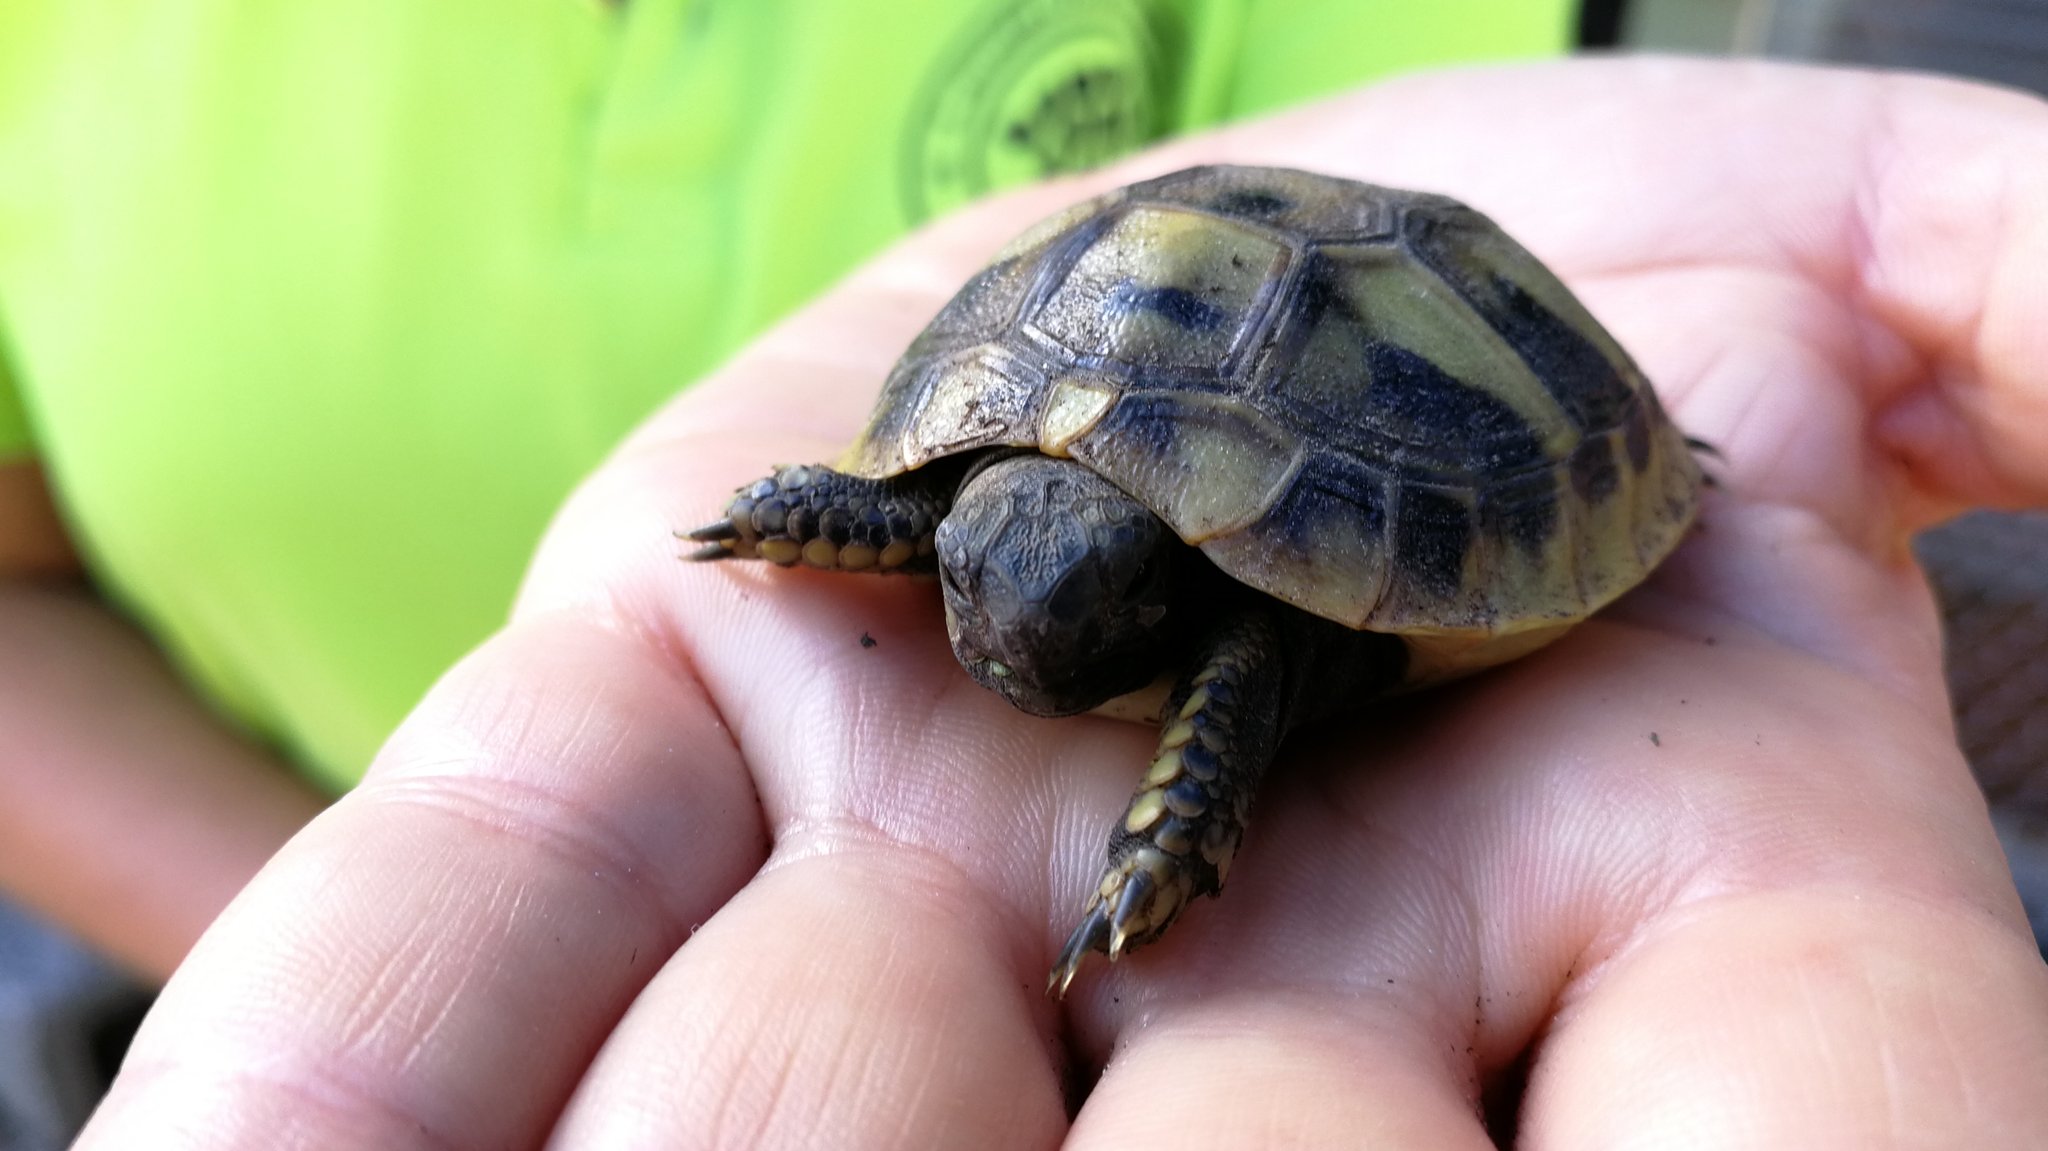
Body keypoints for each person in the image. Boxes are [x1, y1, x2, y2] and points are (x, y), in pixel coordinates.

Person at [55, 57, 2048, 1145]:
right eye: (963, 568)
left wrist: (1181, 819)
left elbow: (1238, 648)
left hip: (1461, 276)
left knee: (1266, 643)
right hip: (1113, 314)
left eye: (1065, 617)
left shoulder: (1241, 618)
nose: (1002, 647)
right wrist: (842, 513)